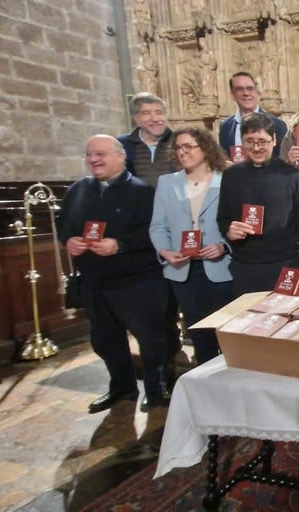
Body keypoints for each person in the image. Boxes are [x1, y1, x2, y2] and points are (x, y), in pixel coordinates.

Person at [58, 135, 169, 413]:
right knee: (105, 339)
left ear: (120, 157)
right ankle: (121, 387)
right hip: (95, 280)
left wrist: (119, 245)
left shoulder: (142, 191)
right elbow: (64, 225)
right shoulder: (78, 190)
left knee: (150, 338)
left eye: (101, 154)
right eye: (89, 154)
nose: (94, 159)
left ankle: (156, 390)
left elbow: (154, 232)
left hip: (137, 279)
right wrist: (69, 241)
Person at [149, 128, 233, 365]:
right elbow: (157, 226)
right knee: (199, 332)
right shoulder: (167, 183)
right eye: (178, 147)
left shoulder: (226, 179)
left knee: (226, 331)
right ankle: (205, 384)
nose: (182, 152)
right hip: (183, 270)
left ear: (205, 148)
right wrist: (165, 251)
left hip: (220, 268)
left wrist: (223, 246)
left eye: (188, 146)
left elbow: (238, 221)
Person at [117, 93, 182, 385]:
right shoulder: (123, 147)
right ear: (136, 117)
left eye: (159, 111)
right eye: (146, 113)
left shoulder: (178, 142)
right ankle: (160, 370)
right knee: (150, 304)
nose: (154, 118)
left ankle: (176, 351)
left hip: (176, 229)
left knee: (174, 296)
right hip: (140, 233)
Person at [219, 112, 299, 295]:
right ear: (242, 140)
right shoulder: (231, 176)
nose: (256, 148)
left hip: (285, 266)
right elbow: (223, 218)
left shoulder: (292, 176)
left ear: (274, 140)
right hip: (245, 266)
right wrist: (229, 231)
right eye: (249, 141)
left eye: (262, 141)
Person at [219, 71, 288, 161]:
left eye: (250, 88)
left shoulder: (277, 124)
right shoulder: (225, 126)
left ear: (257, 92)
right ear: (232, 94)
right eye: (240, 89)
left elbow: (282, 159)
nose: (246, 93)